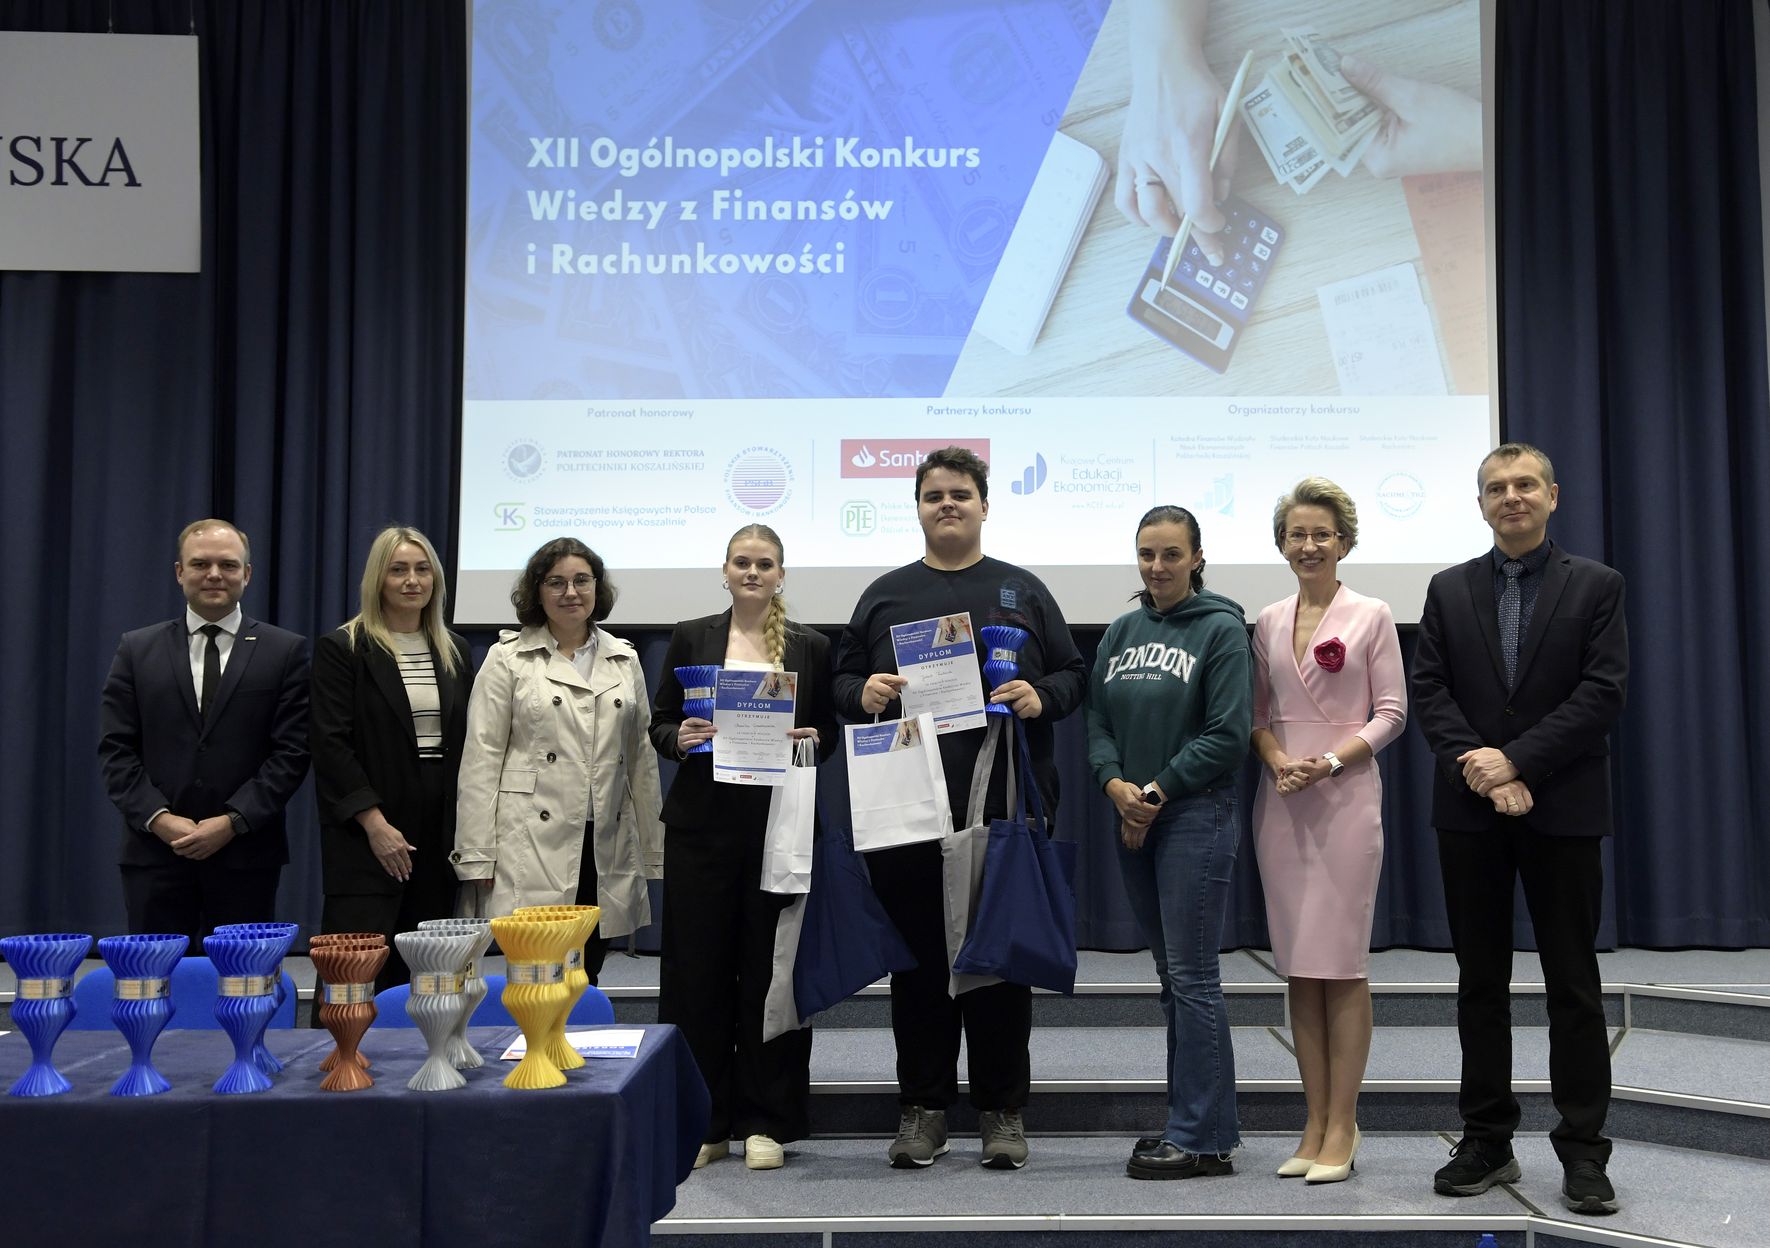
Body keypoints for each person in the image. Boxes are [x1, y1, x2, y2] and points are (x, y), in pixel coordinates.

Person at [834, 446, 1087, 1171]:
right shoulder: (885, 596)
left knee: (1001, 964)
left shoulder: (1023, 589)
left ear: (983, 505)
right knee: (918, 967)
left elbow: (1074, 673)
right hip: (906, 807)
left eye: (960, 493)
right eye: (934, 495)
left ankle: (1002, 1111)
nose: (947, 504)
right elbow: (843, 682)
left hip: (1003, 806)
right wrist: (862, 693)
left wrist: (1041, 696)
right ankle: (924, 1108)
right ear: (918, 507)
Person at [1412, 443, 1628, 1216]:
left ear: (1552, 496)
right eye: (1497, 487)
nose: (1512, 496)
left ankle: (1583, 1150)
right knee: (1480, 984)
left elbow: (1602, 693)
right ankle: (1486, 1140)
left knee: (1573, 984)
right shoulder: (1447, 588)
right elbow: (1430, 690)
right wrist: (1483, 768)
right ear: (1480, 504)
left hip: (1562, 807)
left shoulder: (1596, 584)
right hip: (1470, 811)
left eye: (1525, 484)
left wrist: (1517, 760)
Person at [649, 524, 835, 1173]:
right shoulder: (691, 635)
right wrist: (679, 739)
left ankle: (766, 1120)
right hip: (701, 830)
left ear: (781, 574)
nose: (752, 572)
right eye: (741, 562)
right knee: (696, 976)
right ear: (724, 571)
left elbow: (827, 733)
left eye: (764, 563)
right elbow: (660, 723)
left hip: (779, 828)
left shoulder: (811, 646)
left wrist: (810, 739)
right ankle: (704, 1120)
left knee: (771, 975)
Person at [1086, 505, 1250, 1180]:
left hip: (1194, 817)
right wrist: (1115, 785)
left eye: (1171, 554)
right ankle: (1193, 1124)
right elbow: (1098, 720)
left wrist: (1152, 796)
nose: (1157, 567)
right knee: (1172, 981)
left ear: (1197, 558)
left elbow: (1228, 734)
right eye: (1147, 554)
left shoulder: (1222, 628)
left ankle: (1201, 1136)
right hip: (1132, 816)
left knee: (1193, 978)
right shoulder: (1122, 631)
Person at [1249, 479, 1407, 1184]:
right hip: (1283, 802)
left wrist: (1331, 762)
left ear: (1343, 541)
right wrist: (1279, 761)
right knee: (1299, 967)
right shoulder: (1266, 619)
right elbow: (1256, 717)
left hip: (1345, 801)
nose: (1308, 545)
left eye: (1321, 534)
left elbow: (1392, 712)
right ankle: (1312, 1122)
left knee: (1340, 966)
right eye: (1297, 534)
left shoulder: (1372, 614)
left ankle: (1344, 1122)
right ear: (1282, 544)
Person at [451, 537, 663, 981]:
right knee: (536, 974)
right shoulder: (507, 659)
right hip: (531, 840)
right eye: (556, 582)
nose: (571, 592)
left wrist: (653, 848)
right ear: (537, 590)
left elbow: (641, 760)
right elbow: (481, 759)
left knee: (588, 972)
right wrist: (476, 853)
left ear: (597, 588)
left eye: (582, 580)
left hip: (602, 841)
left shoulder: (624, 659)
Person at [98, 519, 311, 942]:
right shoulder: (136, 649)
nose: (214, 574)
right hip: (155, 854)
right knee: (154, 980)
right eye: (200, 564)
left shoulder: (285, 651)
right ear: (180, 572)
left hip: (245, 856)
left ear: (247, 574)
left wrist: (233, 821)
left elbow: (292, 752)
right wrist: (160, 820)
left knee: (241, 980)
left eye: (228, 565)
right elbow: (115, 749)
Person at [309, 526, 473, 997]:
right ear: (377, 579)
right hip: (366, 836)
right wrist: (374, 823)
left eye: (422, 570)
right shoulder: (343, 648)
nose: (412, 580)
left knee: (429, 978)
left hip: (437, 835)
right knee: (355, 976)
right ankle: (345, 1046)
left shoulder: (455, 651)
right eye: (398, 570)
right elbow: (330, 745)